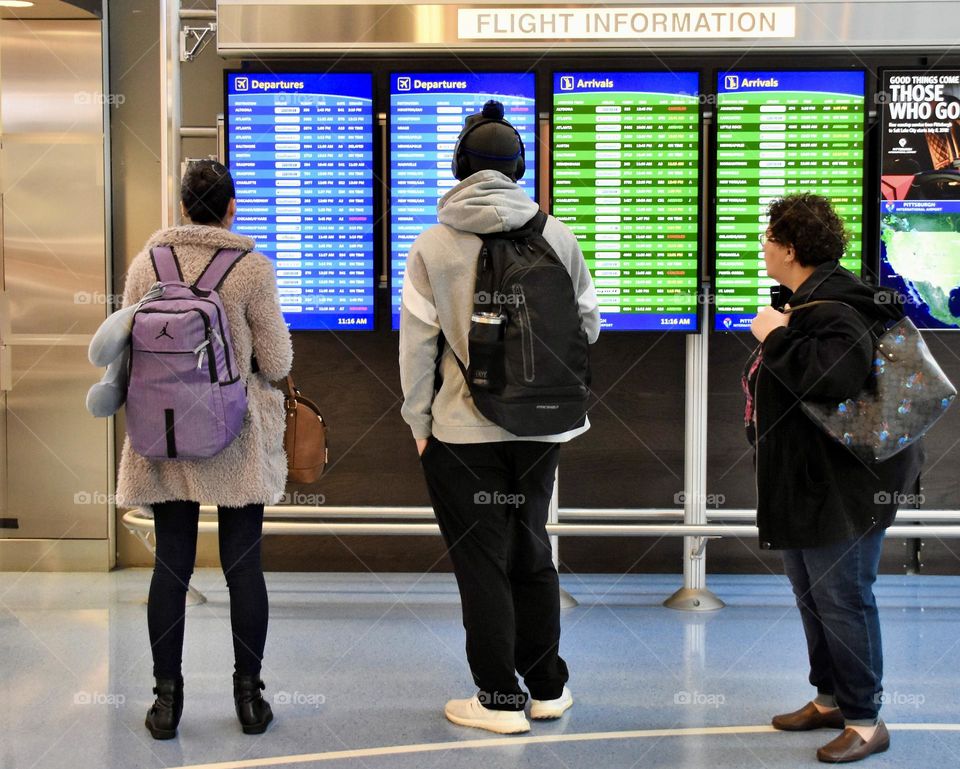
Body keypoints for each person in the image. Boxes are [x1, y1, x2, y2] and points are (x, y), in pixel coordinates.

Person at [399, 102, 600, 734]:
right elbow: (589, 327)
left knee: (481, 560)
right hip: (541, 427)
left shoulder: (433, 244)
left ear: (459, 166)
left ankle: (497, 699)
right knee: (531, 547)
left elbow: (417, 349)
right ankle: (546, 687)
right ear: (519, 167)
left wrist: (420, 426)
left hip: (462, 432)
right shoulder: (556, 235)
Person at [744, 193, 924, 763]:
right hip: (811, 480)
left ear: (790, 249)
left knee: (843, 598)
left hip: (842, 485)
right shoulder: (811, 300)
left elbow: (834, 377)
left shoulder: (835, 307)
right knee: (813, 594)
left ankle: (866, 722)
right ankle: (830, 699)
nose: (763, 247)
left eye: (769, 238)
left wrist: (774, 336)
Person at [116, 160, 292, 739]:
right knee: (244, 567)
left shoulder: (148, 263)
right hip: (234, 433)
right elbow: (277, 361)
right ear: (231, 208)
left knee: (171, 565)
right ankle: (249, 701)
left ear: (183, 207)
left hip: (164, 434)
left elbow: (126, 348)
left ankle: (166, 704)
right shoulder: (251, 268)